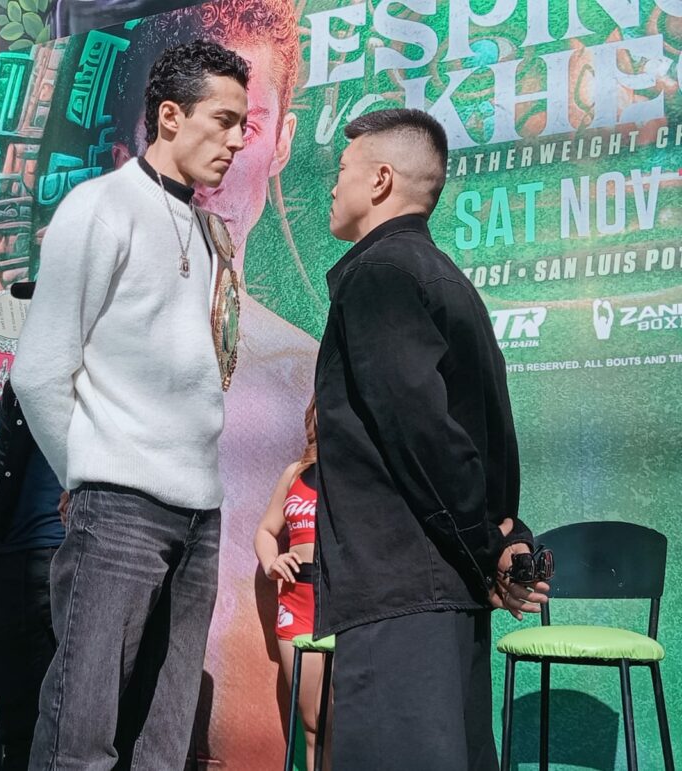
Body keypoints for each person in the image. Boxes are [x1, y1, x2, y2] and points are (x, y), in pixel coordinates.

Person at [12, 40, 248, 770]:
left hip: (200, 512)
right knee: (80, 739)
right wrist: (87, 476)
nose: (239, 140)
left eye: (245, 124)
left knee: (163, 744)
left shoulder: (209, 230)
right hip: (118, 506)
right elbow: (38, 371)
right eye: (225, 120)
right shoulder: (100, 206)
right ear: (170, 116)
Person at [107, 5, 317, 763]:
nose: (218, 156)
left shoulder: (307, 374)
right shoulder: (87, 331)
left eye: (245, 126)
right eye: (190, 123)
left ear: (282, 142)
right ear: (140, 143)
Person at [314, 108, 550, 770]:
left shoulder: (381, 276)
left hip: (400, 597)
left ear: (381, 180)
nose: (332, 186)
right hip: (443, 592)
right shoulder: (447, 281)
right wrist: (500, 543)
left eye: (342, 170)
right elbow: (483, 437)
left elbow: (421, 431)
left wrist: (488, 547)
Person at [0, 282, 66, 771]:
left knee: (62, 706)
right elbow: (0, 464)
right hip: (13, 557)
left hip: (63, 555)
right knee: (13, 701)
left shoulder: (92, 369)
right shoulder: (20, 382)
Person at [253, 397, 329, 768]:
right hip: (297, 602)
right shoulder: (294, 473)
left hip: (342, 603)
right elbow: (267, 530)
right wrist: (272, 562)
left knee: (340, 721)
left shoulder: (360, 474)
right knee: (313, 724)